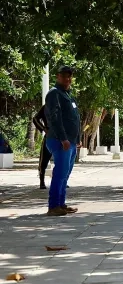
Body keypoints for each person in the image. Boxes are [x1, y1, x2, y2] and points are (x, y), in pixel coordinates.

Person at [44, 65, 80, 216]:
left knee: (65, 174)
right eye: (64, 76)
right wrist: (63, 138)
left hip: (70, 141)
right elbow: (55, 118)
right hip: (59, 141)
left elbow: (73, 118)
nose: (68, 79)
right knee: (59, 173)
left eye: (69, 76)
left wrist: (76, 139)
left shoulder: (68, 94)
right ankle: (53, 206)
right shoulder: (54, 93)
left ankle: (61, 204)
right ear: (58, 77)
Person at [32, 105, 51, 189]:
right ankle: (42, 181)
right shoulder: (46, 107)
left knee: (62, 161)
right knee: (44, 160)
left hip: (62, 137)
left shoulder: (63, 104)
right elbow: (35, 119)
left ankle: (62, 181)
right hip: (50, 136)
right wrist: (43, 128)